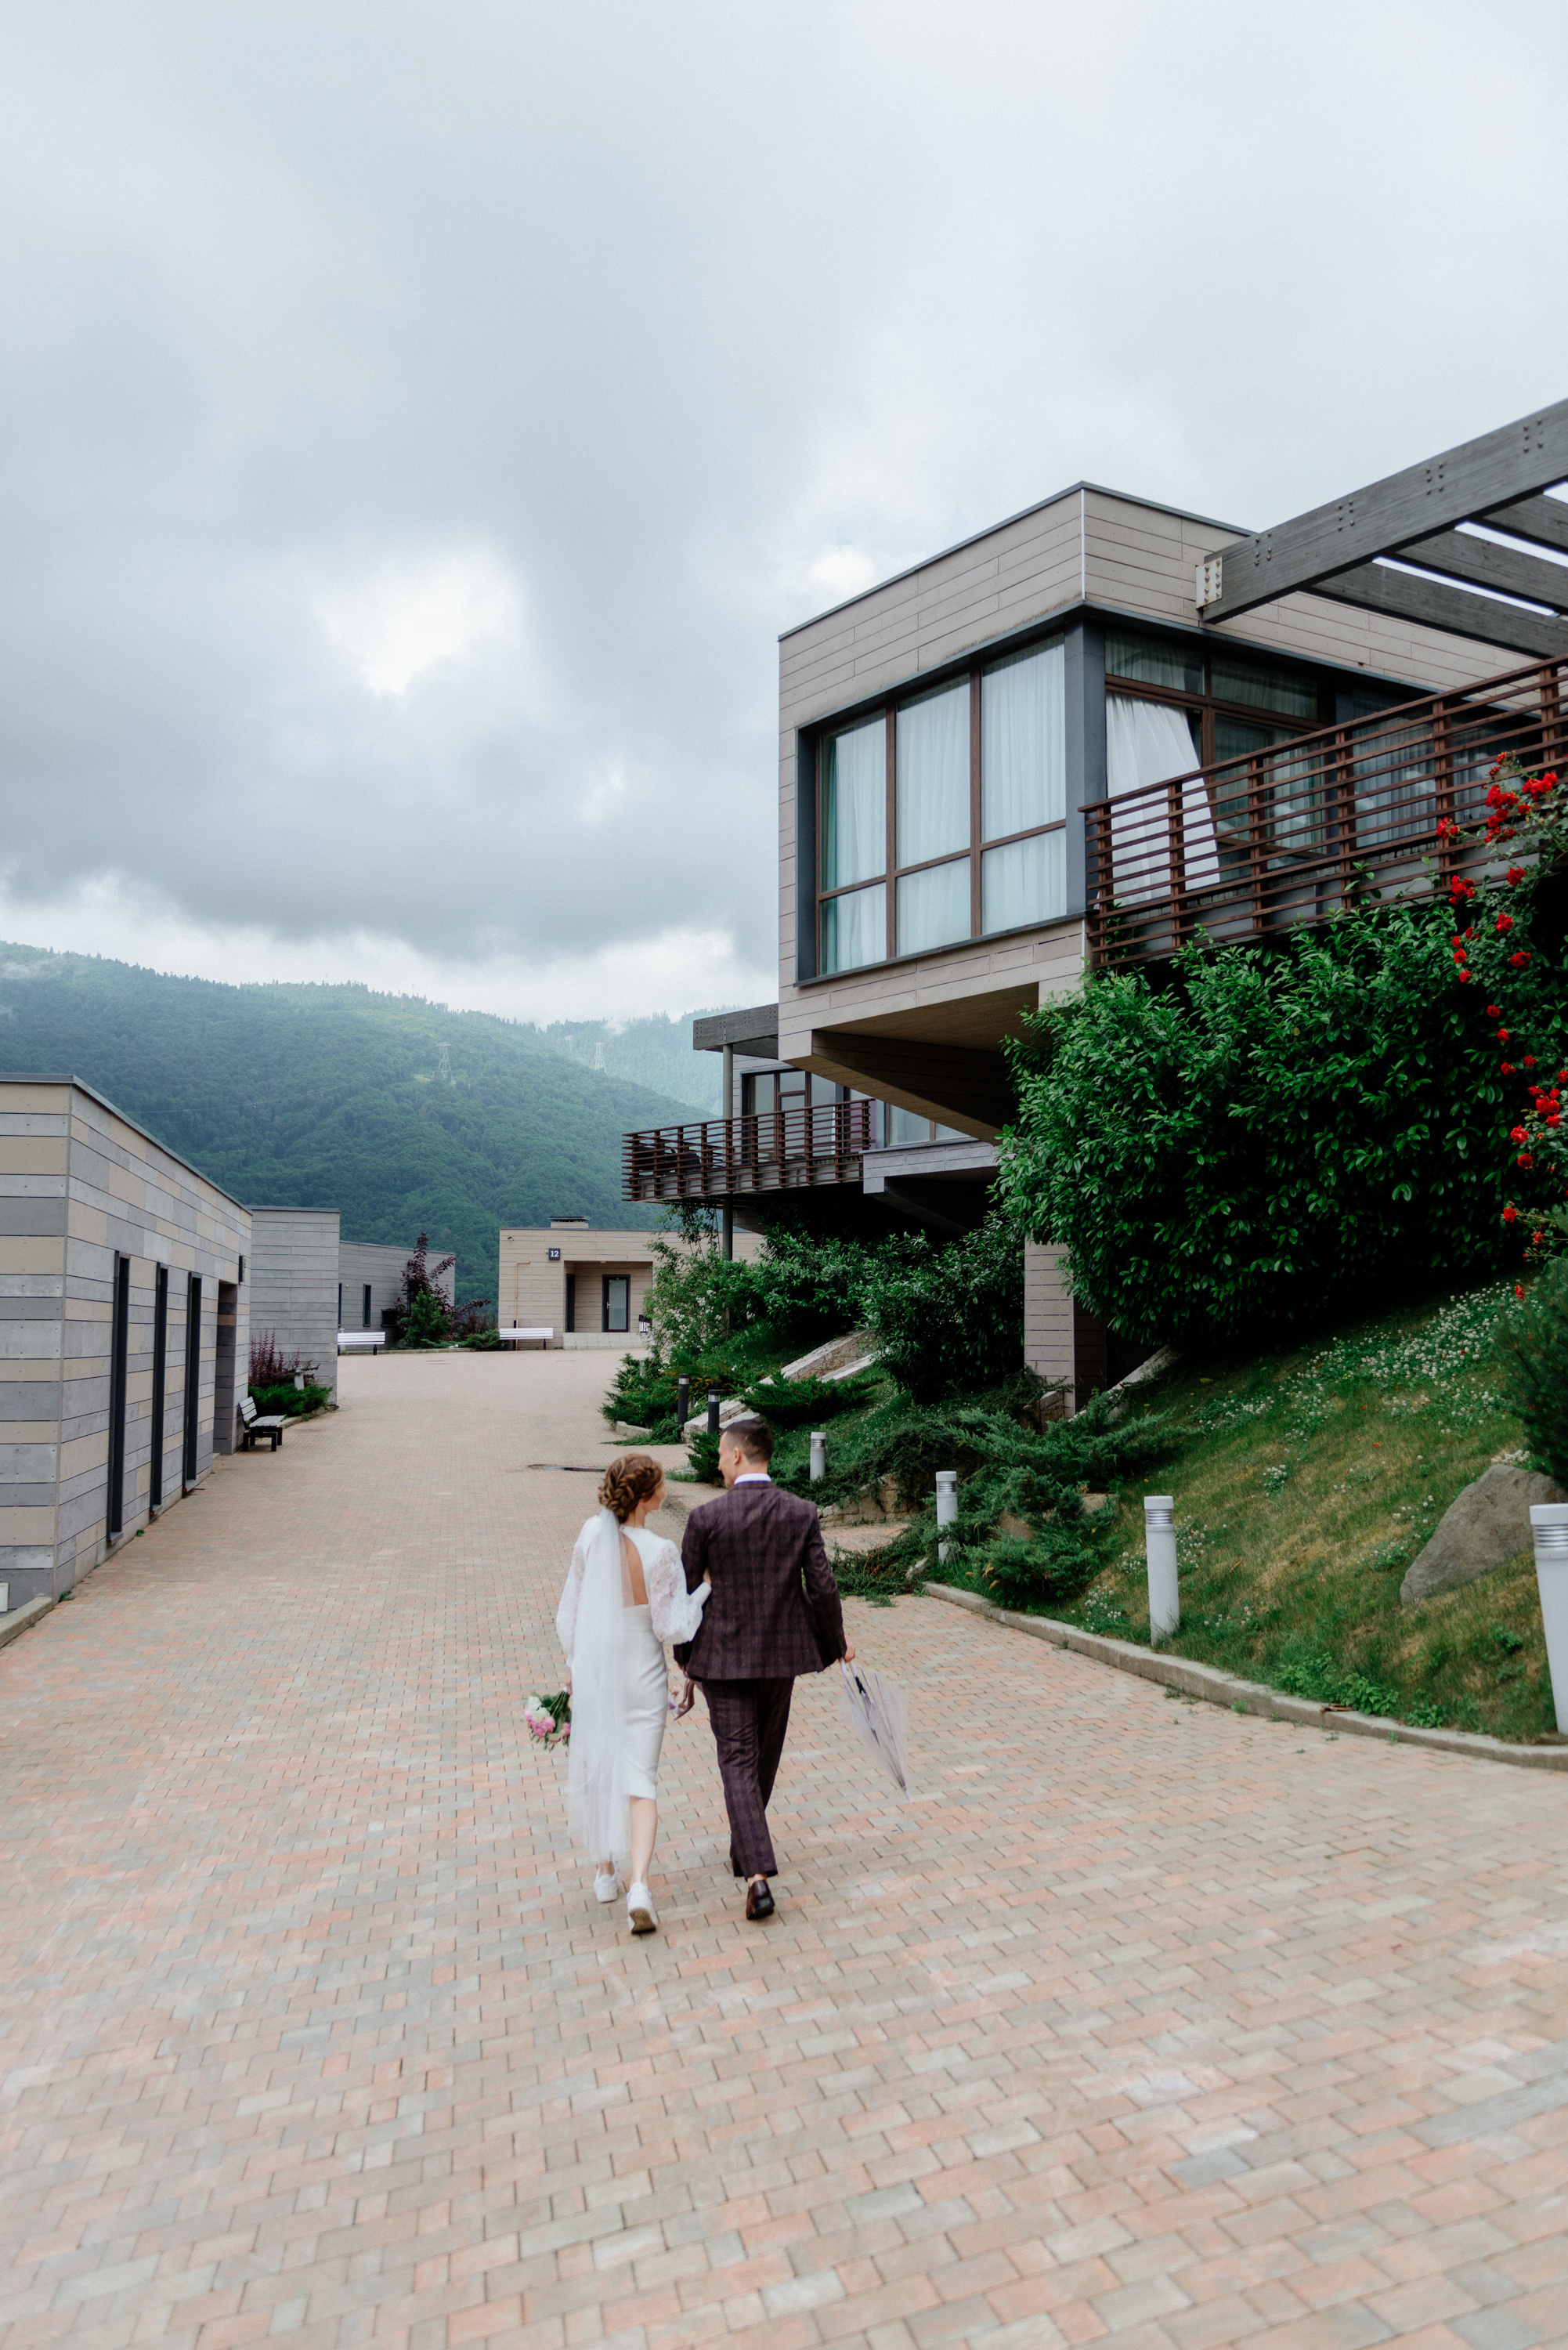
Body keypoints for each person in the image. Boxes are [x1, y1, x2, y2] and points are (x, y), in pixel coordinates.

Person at [674, 1417, 854, 1922]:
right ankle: (749, 1855)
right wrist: (837, 1644)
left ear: (737, 1456)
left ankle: (754, 1871)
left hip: (722, 1658)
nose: (715, 1461)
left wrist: (686, 1662)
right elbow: (823, 1587)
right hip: (781, 1655)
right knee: (763, 1756)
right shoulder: (800, 1513)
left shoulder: (706, 1519)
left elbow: (686, 1599)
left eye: (718, 1453)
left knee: (738, 1760)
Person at [555, 1453, 710, 1936]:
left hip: (598, 1670)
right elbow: (672, 1625)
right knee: (641, 1779)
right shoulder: (661, 1551)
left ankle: (606, 1874)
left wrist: (574, 1667)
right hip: (642, 1673)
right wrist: (704, 1591)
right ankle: (639, 1887)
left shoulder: (588, 1537)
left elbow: (572, 1612)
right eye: (661, 1484)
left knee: (600, 1768)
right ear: (647, 1497)